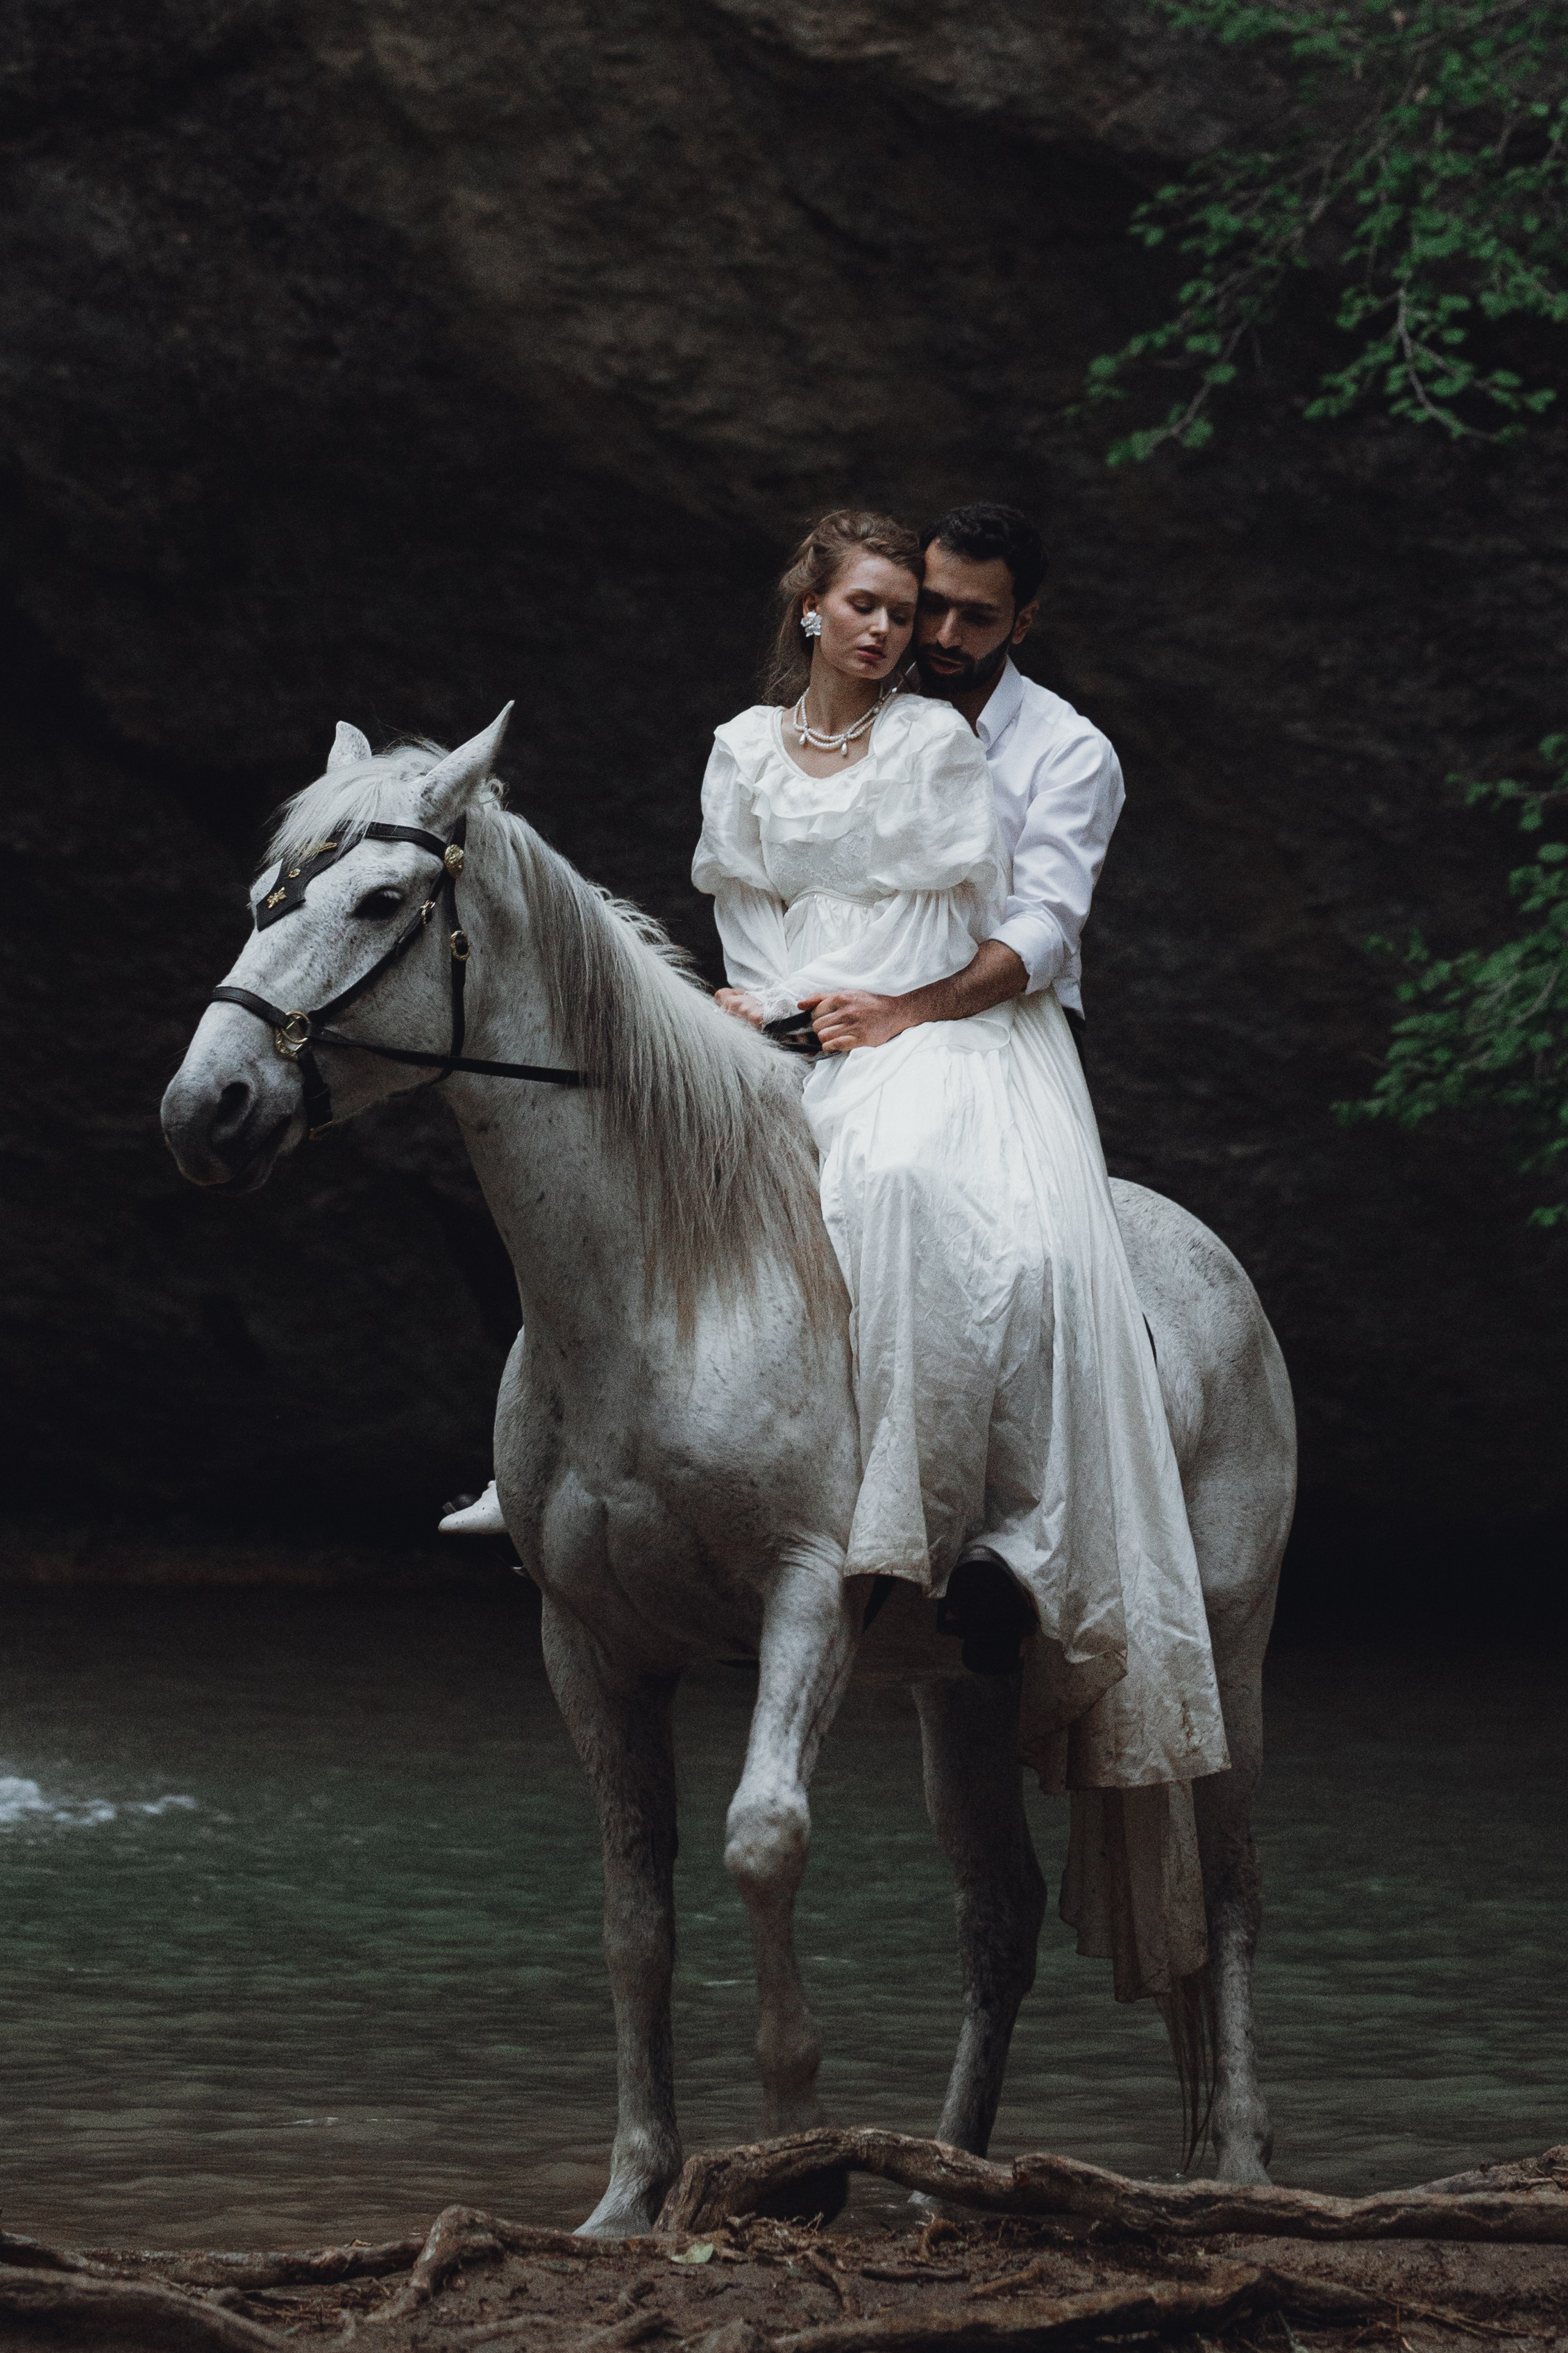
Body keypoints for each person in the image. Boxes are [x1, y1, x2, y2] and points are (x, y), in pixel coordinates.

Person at [694, 509, 1226, 1791]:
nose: (932, 635)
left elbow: (1037, 929)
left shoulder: (1062, 750)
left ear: (1022, 622)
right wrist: (771, 1010)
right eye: (918, 606)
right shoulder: (818, 725)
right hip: (818, 1001)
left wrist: (890, 1016)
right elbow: (766, 891)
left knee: (972, 1217)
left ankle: (976, 1525)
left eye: (969, 618)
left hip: (981, 1021)